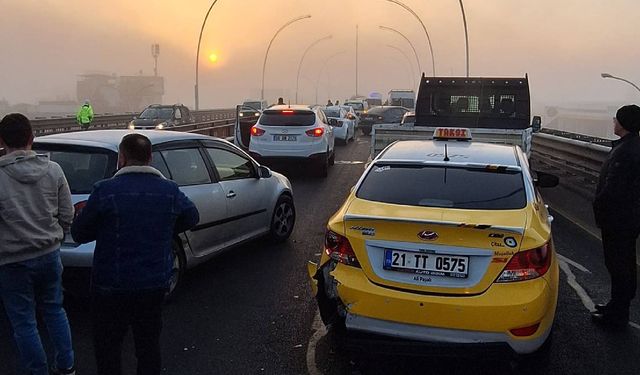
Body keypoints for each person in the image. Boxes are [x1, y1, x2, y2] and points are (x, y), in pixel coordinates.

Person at [71, 133, 199, 375]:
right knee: (148, 346)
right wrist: (165, 226)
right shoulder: (169, 190)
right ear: (150, 158)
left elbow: (80, 233)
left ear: (121, 158)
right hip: (152, 284)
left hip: (110, 285)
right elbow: (192, 217)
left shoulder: (105, 190)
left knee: (108, 348)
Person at [0, 113, 76, 375]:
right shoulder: (53, 170)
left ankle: (37, 371)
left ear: (1, 141)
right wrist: (56, 234)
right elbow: (68, 214)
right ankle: (66, 366)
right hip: (49, 254)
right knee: (55, 310)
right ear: (32, 138)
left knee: (23, 322)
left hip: (11, 261)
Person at [591, 104, 640, 327]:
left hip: (619, 220)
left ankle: (618, 315)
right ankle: (616, 305)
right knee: (622, 264)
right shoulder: (629, 147)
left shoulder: (626, 151)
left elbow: (614, 189)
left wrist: (599, 206)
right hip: (625, 219)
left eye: (616, 119)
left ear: (624, 123)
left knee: (619, 265)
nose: (614, 122)